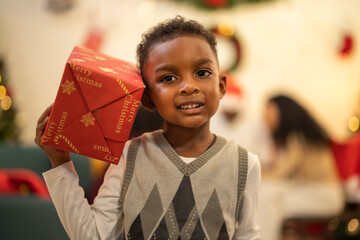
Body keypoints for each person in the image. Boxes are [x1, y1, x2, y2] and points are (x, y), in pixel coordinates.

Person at [34, 16, 261, 240]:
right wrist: (60, 162)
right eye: (169, 77)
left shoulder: (245, 164)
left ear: (221, 86)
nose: (189, 86)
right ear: (149, 99)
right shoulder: (129, 156)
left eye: (202, 73)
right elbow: (93, 236)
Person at [258, 94, 344, 240]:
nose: (266, 118)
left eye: (269, 112)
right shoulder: (302, 134)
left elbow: (280, 174)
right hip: (317, 192)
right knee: (269, 198)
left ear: (282, 112)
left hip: (324, 196)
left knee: (268, 199)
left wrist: (251, 174)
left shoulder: (297, 137)